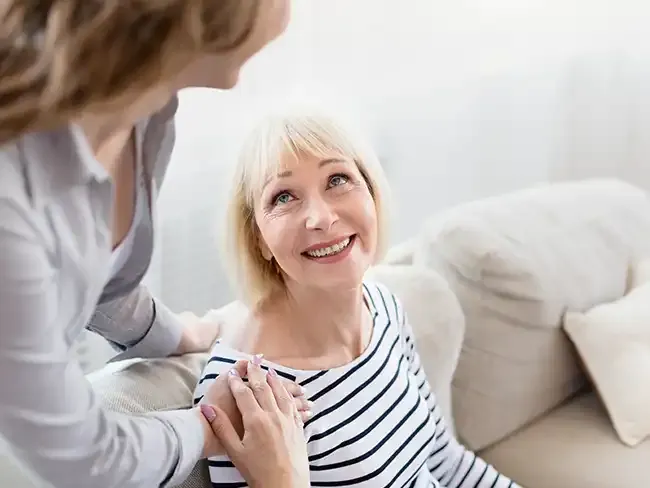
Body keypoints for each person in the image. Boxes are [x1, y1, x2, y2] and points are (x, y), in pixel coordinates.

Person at [0, 2, 311, 488]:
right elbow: (87, 460)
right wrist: (210, 424)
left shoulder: (147, 113)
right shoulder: (10, 203)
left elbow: (93, 271)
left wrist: (179, 336)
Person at [194, 109, 523, 487]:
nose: (321, 217)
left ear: (371, 193)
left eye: (337, 179)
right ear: (257, 239)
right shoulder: (245, 392)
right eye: (284, 196)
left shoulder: (383, 306)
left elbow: (444, 461)